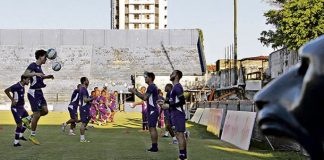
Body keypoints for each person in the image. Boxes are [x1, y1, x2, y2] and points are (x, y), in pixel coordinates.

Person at [21, 49, 54, 145]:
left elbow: (40, 76)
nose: (46, 59)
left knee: (45, 111)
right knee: (37, 114)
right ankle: (32, 135)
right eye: (45, 57)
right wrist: (35, 73)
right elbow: (25, 74)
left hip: (39, 92)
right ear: (40, 56)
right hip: (33, 93)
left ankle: (27, 118)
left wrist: (47, 76)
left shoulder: (39, 67)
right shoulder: (33, 65)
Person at [129, 72, 159, 152]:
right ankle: (154, 146)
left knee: (152, 128)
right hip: (152, 109)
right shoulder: (152, 86)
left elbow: (145, 97)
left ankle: (154, 147)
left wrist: (135, 92)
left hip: (153, 110)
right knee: (152, 128)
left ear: (150, 78)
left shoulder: (151, 86)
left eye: (146, 77)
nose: (145, 79)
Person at [4, 75, 30, 147]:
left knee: (28, 120)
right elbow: (6, 90)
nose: (29, 81)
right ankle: (16, 143)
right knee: (19, 124)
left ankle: (21, 135)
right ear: (24, 79)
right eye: (28, 80)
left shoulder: (22, 87)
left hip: (21, 108)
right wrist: (12, 99)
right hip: (15, 108)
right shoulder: (16, 86)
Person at [169, 70, 187, 160]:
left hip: (178, 114)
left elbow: (182, 101)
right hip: (175, 114)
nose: (170, 74)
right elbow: (174, 102)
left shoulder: (177, 87)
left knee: (180, 135)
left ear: (176, 76)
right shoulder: (174, 88)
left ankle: (182, 156)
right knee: (179, 134)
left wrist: (169, 105)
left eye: (172, 73)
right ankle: (183, 155)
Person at [79, 77, 92, 142]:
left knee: (90, 116)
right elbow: (85, 100)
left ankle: (84, 127)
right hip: (84, 108)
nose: (88, 81)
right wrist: (92, 98)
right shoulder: (83, 89)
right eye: (87, 80)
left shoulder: (84, 89)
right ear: (84, 81)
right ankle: (82, 139)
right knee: (83, 123)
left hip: (85, 107)